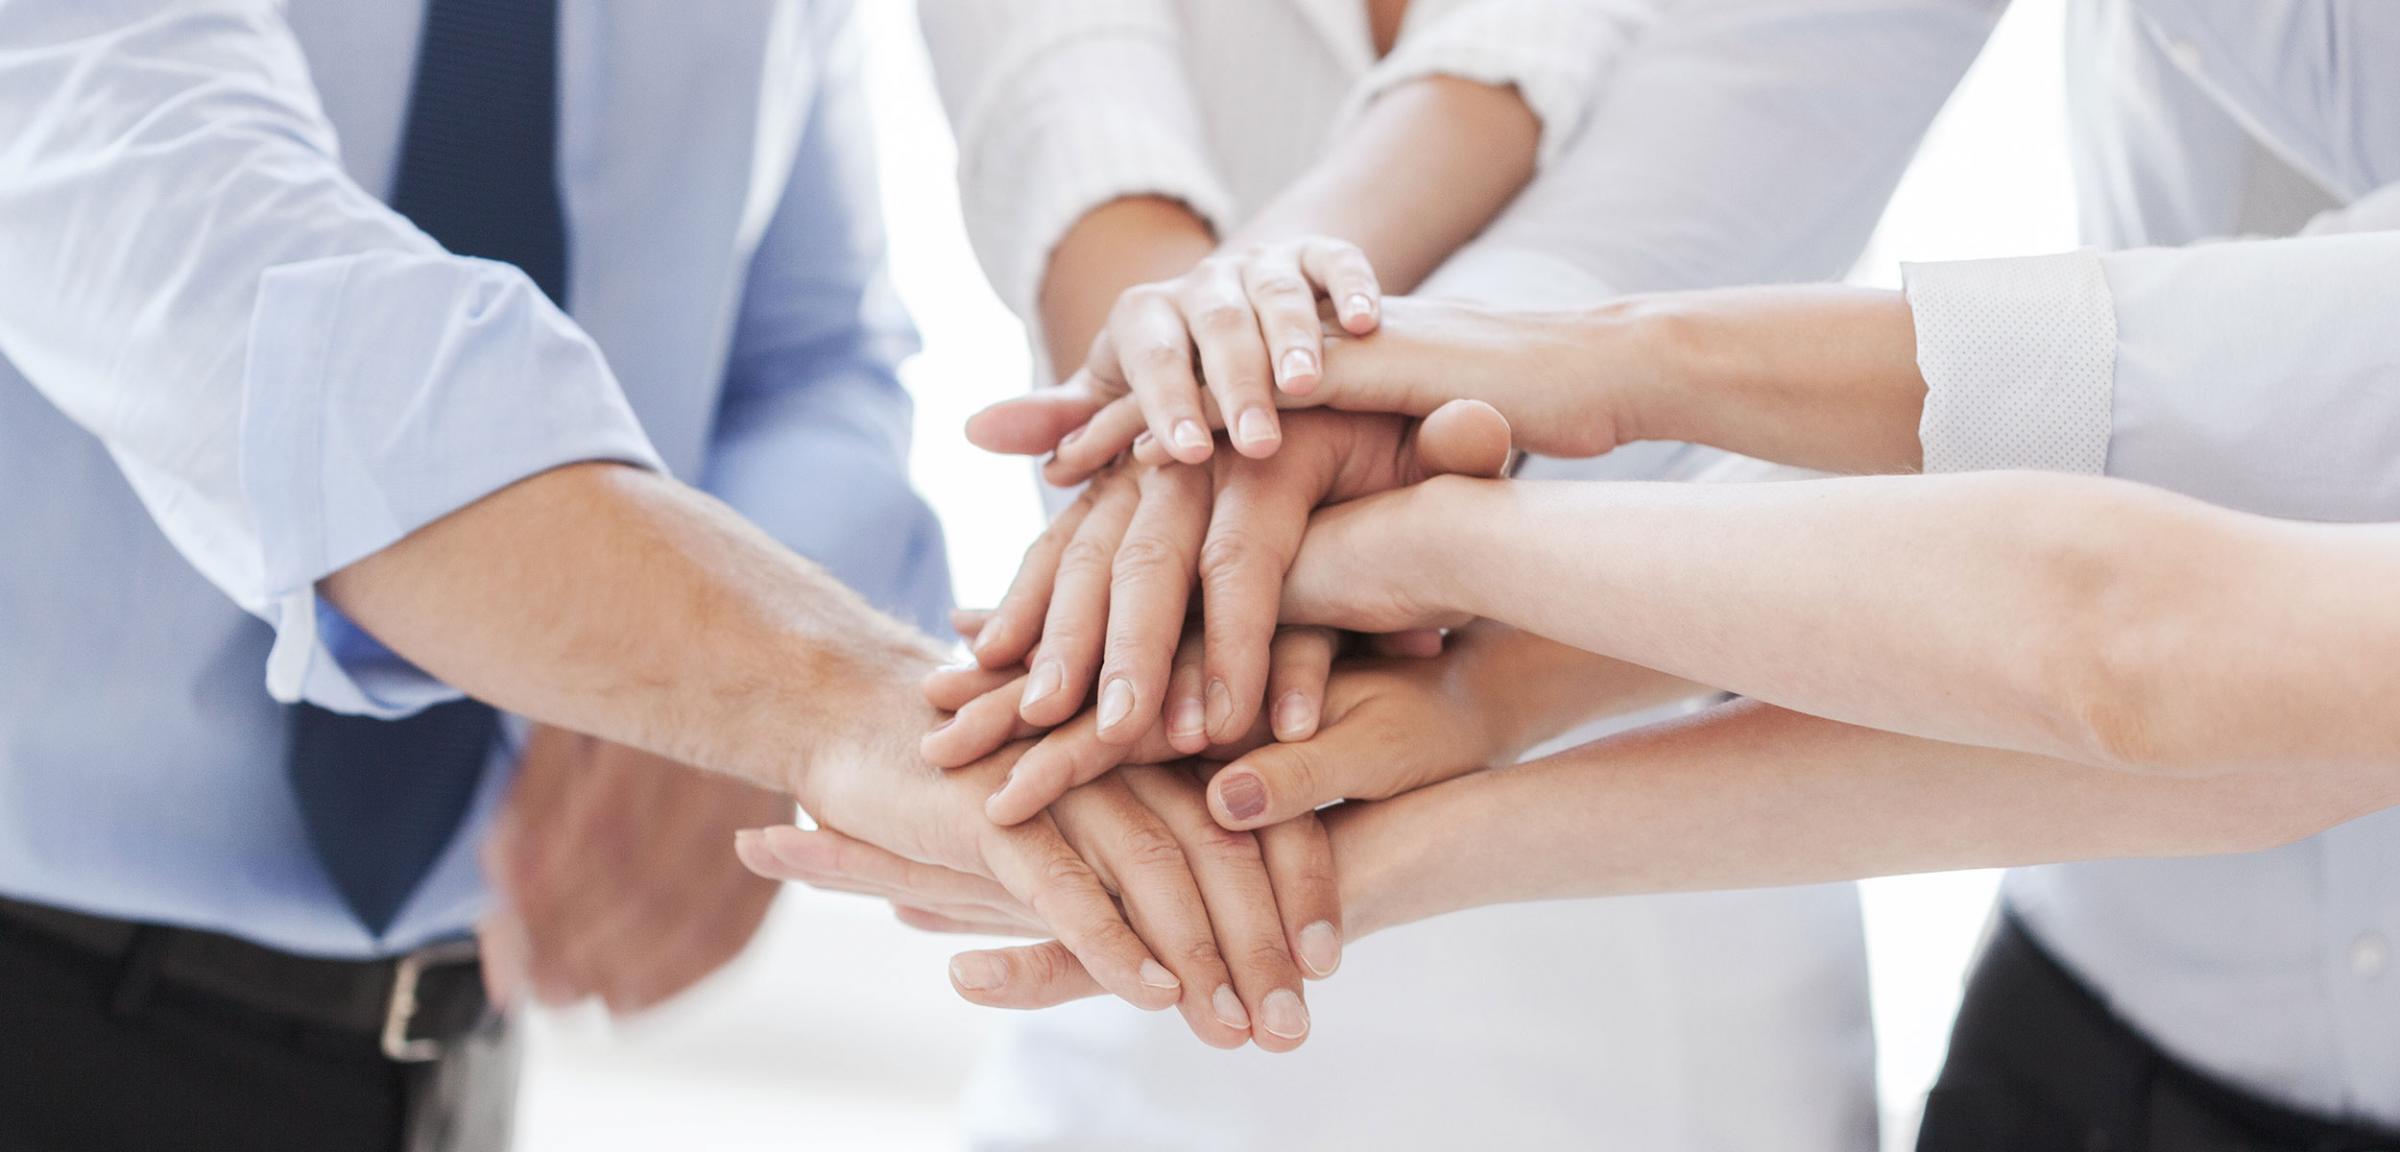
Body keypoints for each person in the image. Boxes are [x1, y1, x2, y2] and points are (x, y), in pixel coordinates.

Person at [842, 0, 2400, 1147]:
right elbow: (2207, 700)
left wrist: (1460, 511)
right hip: (2103, 1005)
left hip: (1726, 922)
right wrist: (1299, 373)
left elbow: (2172, 623)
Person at [0, 1, 1319, 1147]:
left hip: (449, 1043)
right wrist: (792, 688)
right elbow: (206, 255)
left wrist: (702, 665)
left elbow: (819, 351)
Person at [898, 0, 1958, 1147]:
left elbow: (1677, 218)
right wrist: (1221, 367)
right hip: (1158, 768)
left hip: (1639, 855)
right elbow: (1064, 119)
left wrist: (1255, 356)